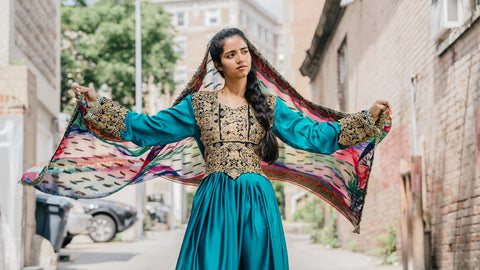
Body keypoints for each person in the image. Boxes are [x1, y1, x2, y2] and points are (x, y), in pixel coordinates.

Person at [71, 28, 390, 269]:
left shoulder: (269, 105)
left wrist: (366, 119)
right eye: (231, 54)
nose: (241, 59)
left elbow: (314, 136)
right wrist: (98, 106)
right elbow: (148, 128)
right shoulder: (198, 106)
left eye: (244, 51)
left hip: (257, 202)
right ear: (217, 64)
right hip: (215, 200)